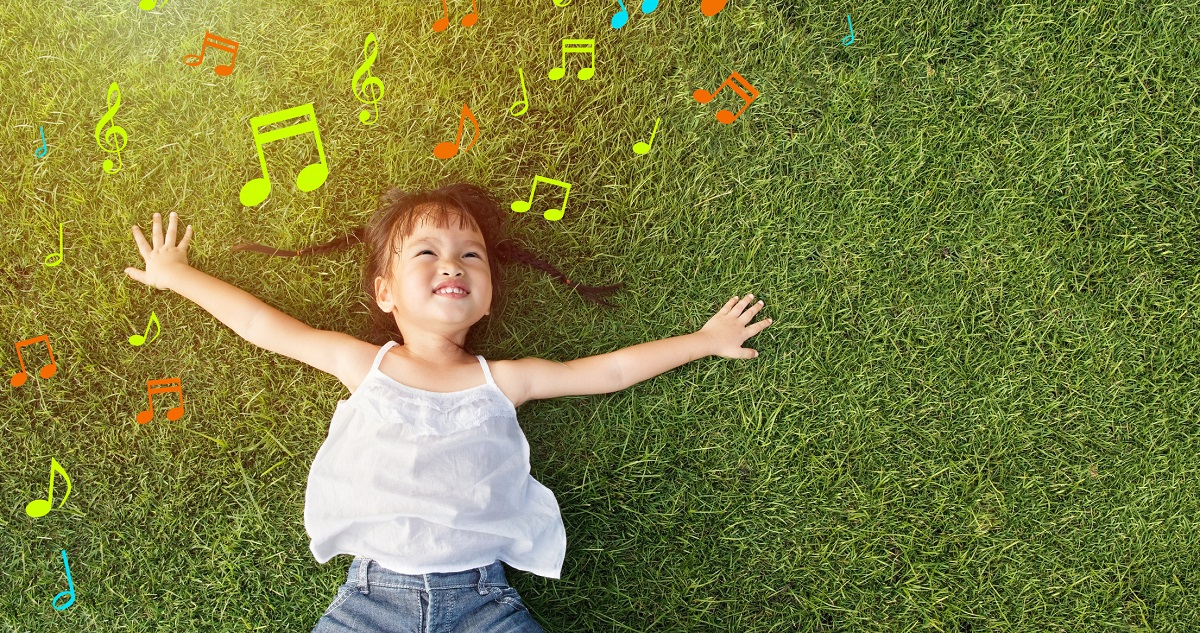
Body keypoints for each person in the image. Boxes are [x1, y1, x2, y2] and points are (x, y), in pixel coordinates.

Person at [123, 183, 773, 632]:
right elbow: (267, 326)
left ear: (487, 298)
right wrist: (177, 274)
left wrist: (704, 341)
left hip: (483, 602)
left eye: (470, 255)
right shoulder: (365, 365)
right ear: (385, 292)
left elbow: (607, 370)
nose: (451, 263)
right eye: (426, 252)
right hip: (371, 601)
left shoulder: (504, 379)